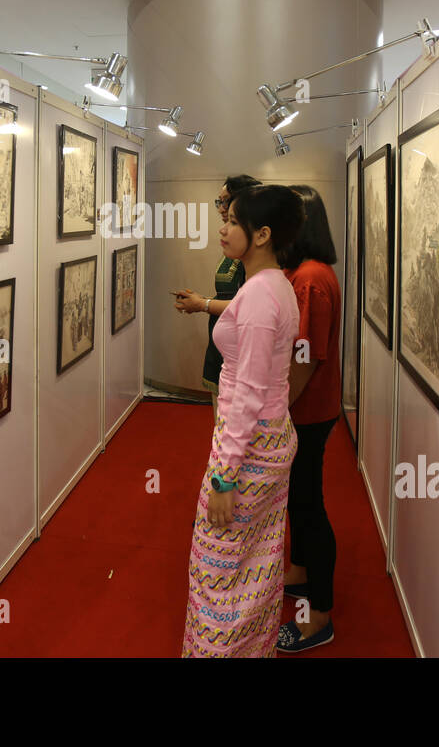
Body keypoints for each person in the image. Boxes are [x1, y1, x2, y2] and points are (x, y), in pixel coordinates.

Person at [182, 184, 305, 658]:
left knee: (218, 565)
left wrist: (224, 475)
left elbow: (248, 394)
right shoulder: (275, 285)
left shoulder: (258, 296)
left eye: (233, 220)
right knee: (257, 561)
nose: (223, 228)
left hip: (249, 445)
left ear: (262, 234)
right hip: (271, 436)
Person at [275, 185, 344, 653]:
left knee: (308, 505)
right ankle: (299, 572)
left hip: (308, 409)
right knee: (300, 499)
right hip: (311, 406)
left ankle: (319, 617)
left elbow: (305, 358)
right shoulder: (305, 273)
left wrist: (279, 409)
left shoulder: (311, 280)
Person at [173, 175, 260, 417]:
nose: (221, 211)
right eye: (219, 203)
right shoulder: (236, 245)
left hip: (242, 352)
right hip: (224, 343)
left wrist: (203, 304)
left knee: (235, 430)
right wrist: (202, 300)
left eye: (226, 203)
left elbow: (249, 306)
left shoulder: (257, 253)